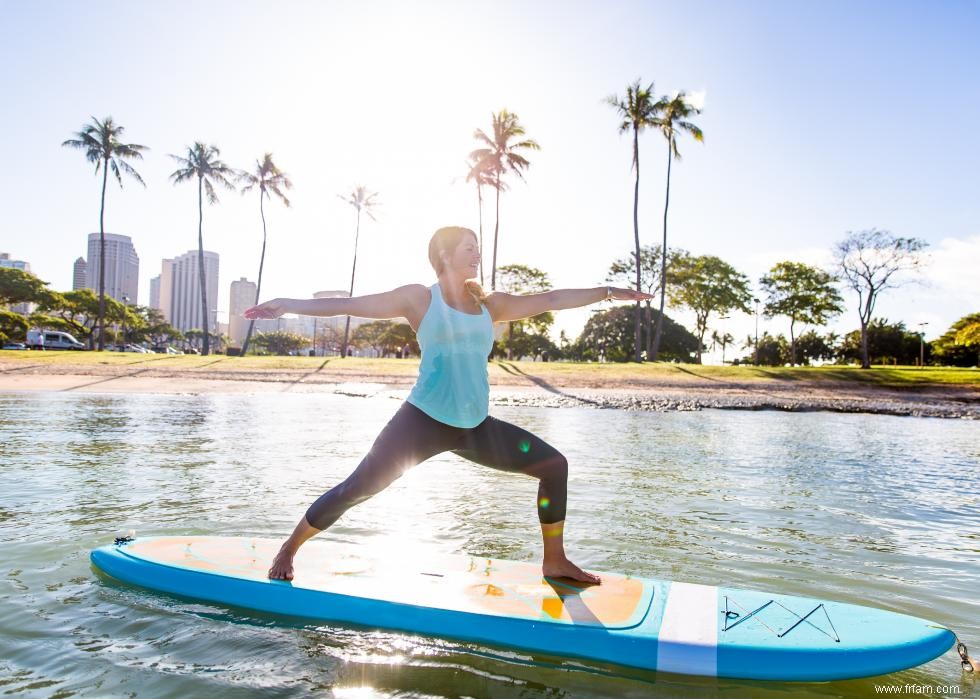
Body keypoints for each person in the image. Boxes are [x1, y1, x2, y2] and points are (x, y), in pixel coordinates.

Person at [244, 226, 652, 584]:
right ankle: (289, 548)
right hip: (420, 422)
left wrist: (610, 292)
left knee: (553, 466)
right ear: (444, 255)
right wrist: (287, 304)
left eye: (477, 246)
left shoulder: (491, 304)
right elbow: (349, 304)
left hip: (474, 427)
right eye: (468, 247)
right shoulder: (419, 299)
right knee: (357, 489)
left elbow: (552, 298)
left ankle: (554, 560)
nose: (477, 253)